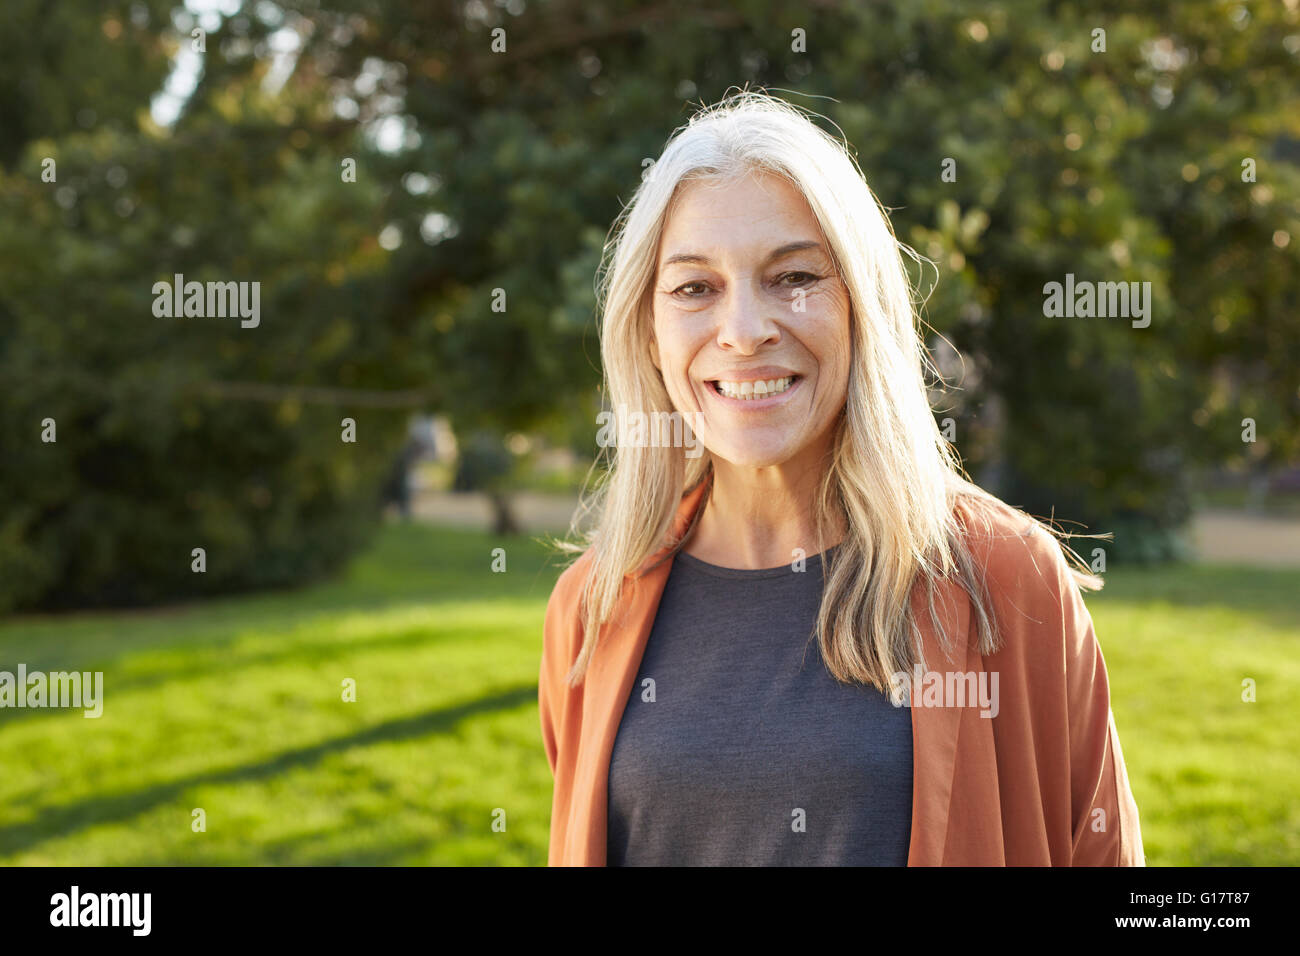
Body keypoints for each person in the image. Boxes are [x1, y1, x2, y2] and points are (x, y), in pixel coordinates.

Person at [539, 90, 1144, 866]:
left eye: (793, 276)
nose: (745, 330)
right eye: (695, 287)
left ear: (862, 308)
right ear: (649, 334)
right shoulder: (591, 609)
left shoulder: (1006, 580)